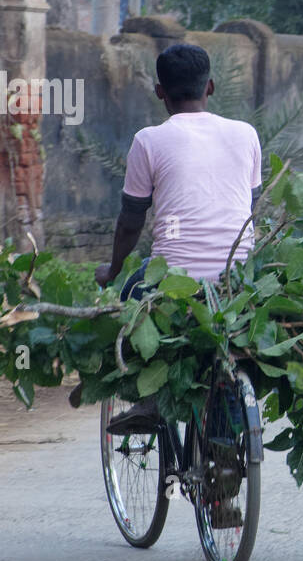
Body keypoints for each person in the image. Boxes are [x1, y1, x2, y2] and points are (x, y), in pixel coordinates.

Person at [95, 43, 263, 434]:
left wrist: (115, 269)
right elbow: (249, 206)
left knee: (132, 297)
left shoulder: (149, 140)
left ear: (160, 92)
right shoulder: (245, 134)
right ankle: (227, 445)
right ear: (211, 88)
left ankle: (152, 399)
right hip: (238, 280)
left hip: (171, 282)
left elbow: (131, 220)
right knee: (234, 350)